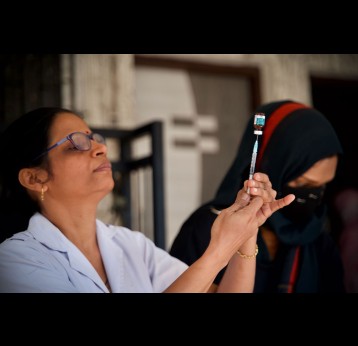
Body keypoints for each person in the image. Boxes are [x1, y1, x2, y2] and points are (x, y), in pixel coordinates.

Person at [0, 107, 294, 293]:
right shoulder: (14, 261)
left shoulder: (131, 245)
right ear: (34, 178)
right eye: (77, 142)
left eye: (94, 137)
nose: (100, 148)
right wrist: (218, 249)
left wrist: (246, 233)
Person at [170, 99, 346, 293]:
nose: (314, 195)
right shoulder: (207, 230)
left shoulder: (319, 242)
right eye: (303, 183)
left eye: (322, 186)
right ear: (272, 165)